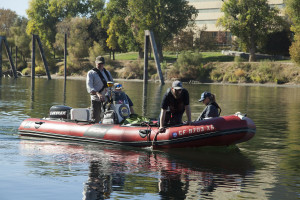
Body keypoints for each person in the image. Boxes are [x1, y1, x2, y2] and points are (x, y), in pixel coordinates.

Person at [86, 56, 113, 123]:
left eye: (102, 63)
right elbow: (90, 88)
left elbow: (112, 84)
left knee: (110, 117)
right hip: (96, 100)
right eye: (99, 63)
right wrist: (98, 94)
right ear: (95, 63)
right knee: (96, 119)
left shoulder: (107, 73)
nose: (100, 65)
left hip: (107, 100)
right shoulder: (91, 73)